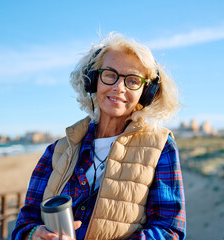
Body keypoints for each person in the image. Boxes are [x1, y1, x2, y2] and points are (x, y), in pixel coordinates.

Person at [12, 33, 186, 240]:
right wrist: (34, 234)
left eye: (132, 81)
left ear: (146, 92)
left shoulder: (161, 146)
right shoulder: (57, 150)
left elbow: (170, 230)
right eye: (110, 75)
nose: (119, 87)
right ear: (93, 80)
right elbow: (24, 223)